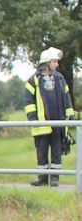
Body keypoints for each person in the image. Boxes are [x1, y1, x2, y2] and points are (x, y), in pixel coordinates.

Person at [25, 47, 76, 187]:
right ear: (47, 63)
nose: (57, 64)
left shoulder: (60, 78)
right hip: (41, 125)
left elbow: (67, 98)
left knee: (56, 152)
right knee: (41, 152)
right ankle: (42, 178)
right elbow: (29, 102)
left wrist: (70, 115)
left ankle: (54, 178)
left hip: (58, 123)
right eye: (55, 61)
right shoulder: (33, 80)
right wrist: (33, 119)